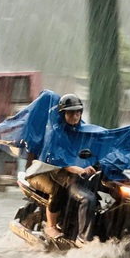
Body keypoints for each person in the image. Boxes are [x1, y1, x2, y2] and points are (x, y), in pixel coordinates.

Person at [26, 93, 99, 245]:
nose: (75, 115)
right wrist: (77, 169)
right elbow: (58, 159)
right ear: (62, 113)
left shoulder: (80, 130)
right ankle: (51, 226)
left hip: (63, 174)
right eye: (71, 112)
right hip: (42, 172)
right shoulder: (54, 133)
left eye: (78, 111)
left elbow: (88, 149)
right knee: (57, 189)